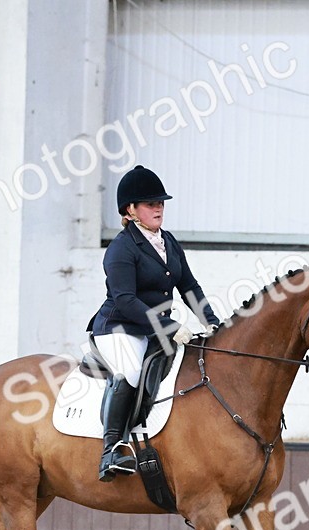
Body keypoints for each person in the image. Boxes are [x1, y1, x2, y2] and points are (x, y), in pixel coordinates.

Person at [88, 165, 222, 482]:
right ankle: (111, 450)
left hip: (157, 328)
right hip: (120, 327)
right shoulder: (121, 248)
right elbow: (125, 300)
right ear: (130, 210)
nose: (158, 208)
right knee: (131, 371)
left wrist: (213, 322)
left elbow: (189, 286)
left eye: (160, 202)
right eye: (150, 203)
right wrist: (169, 326)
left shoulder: (168, 242)